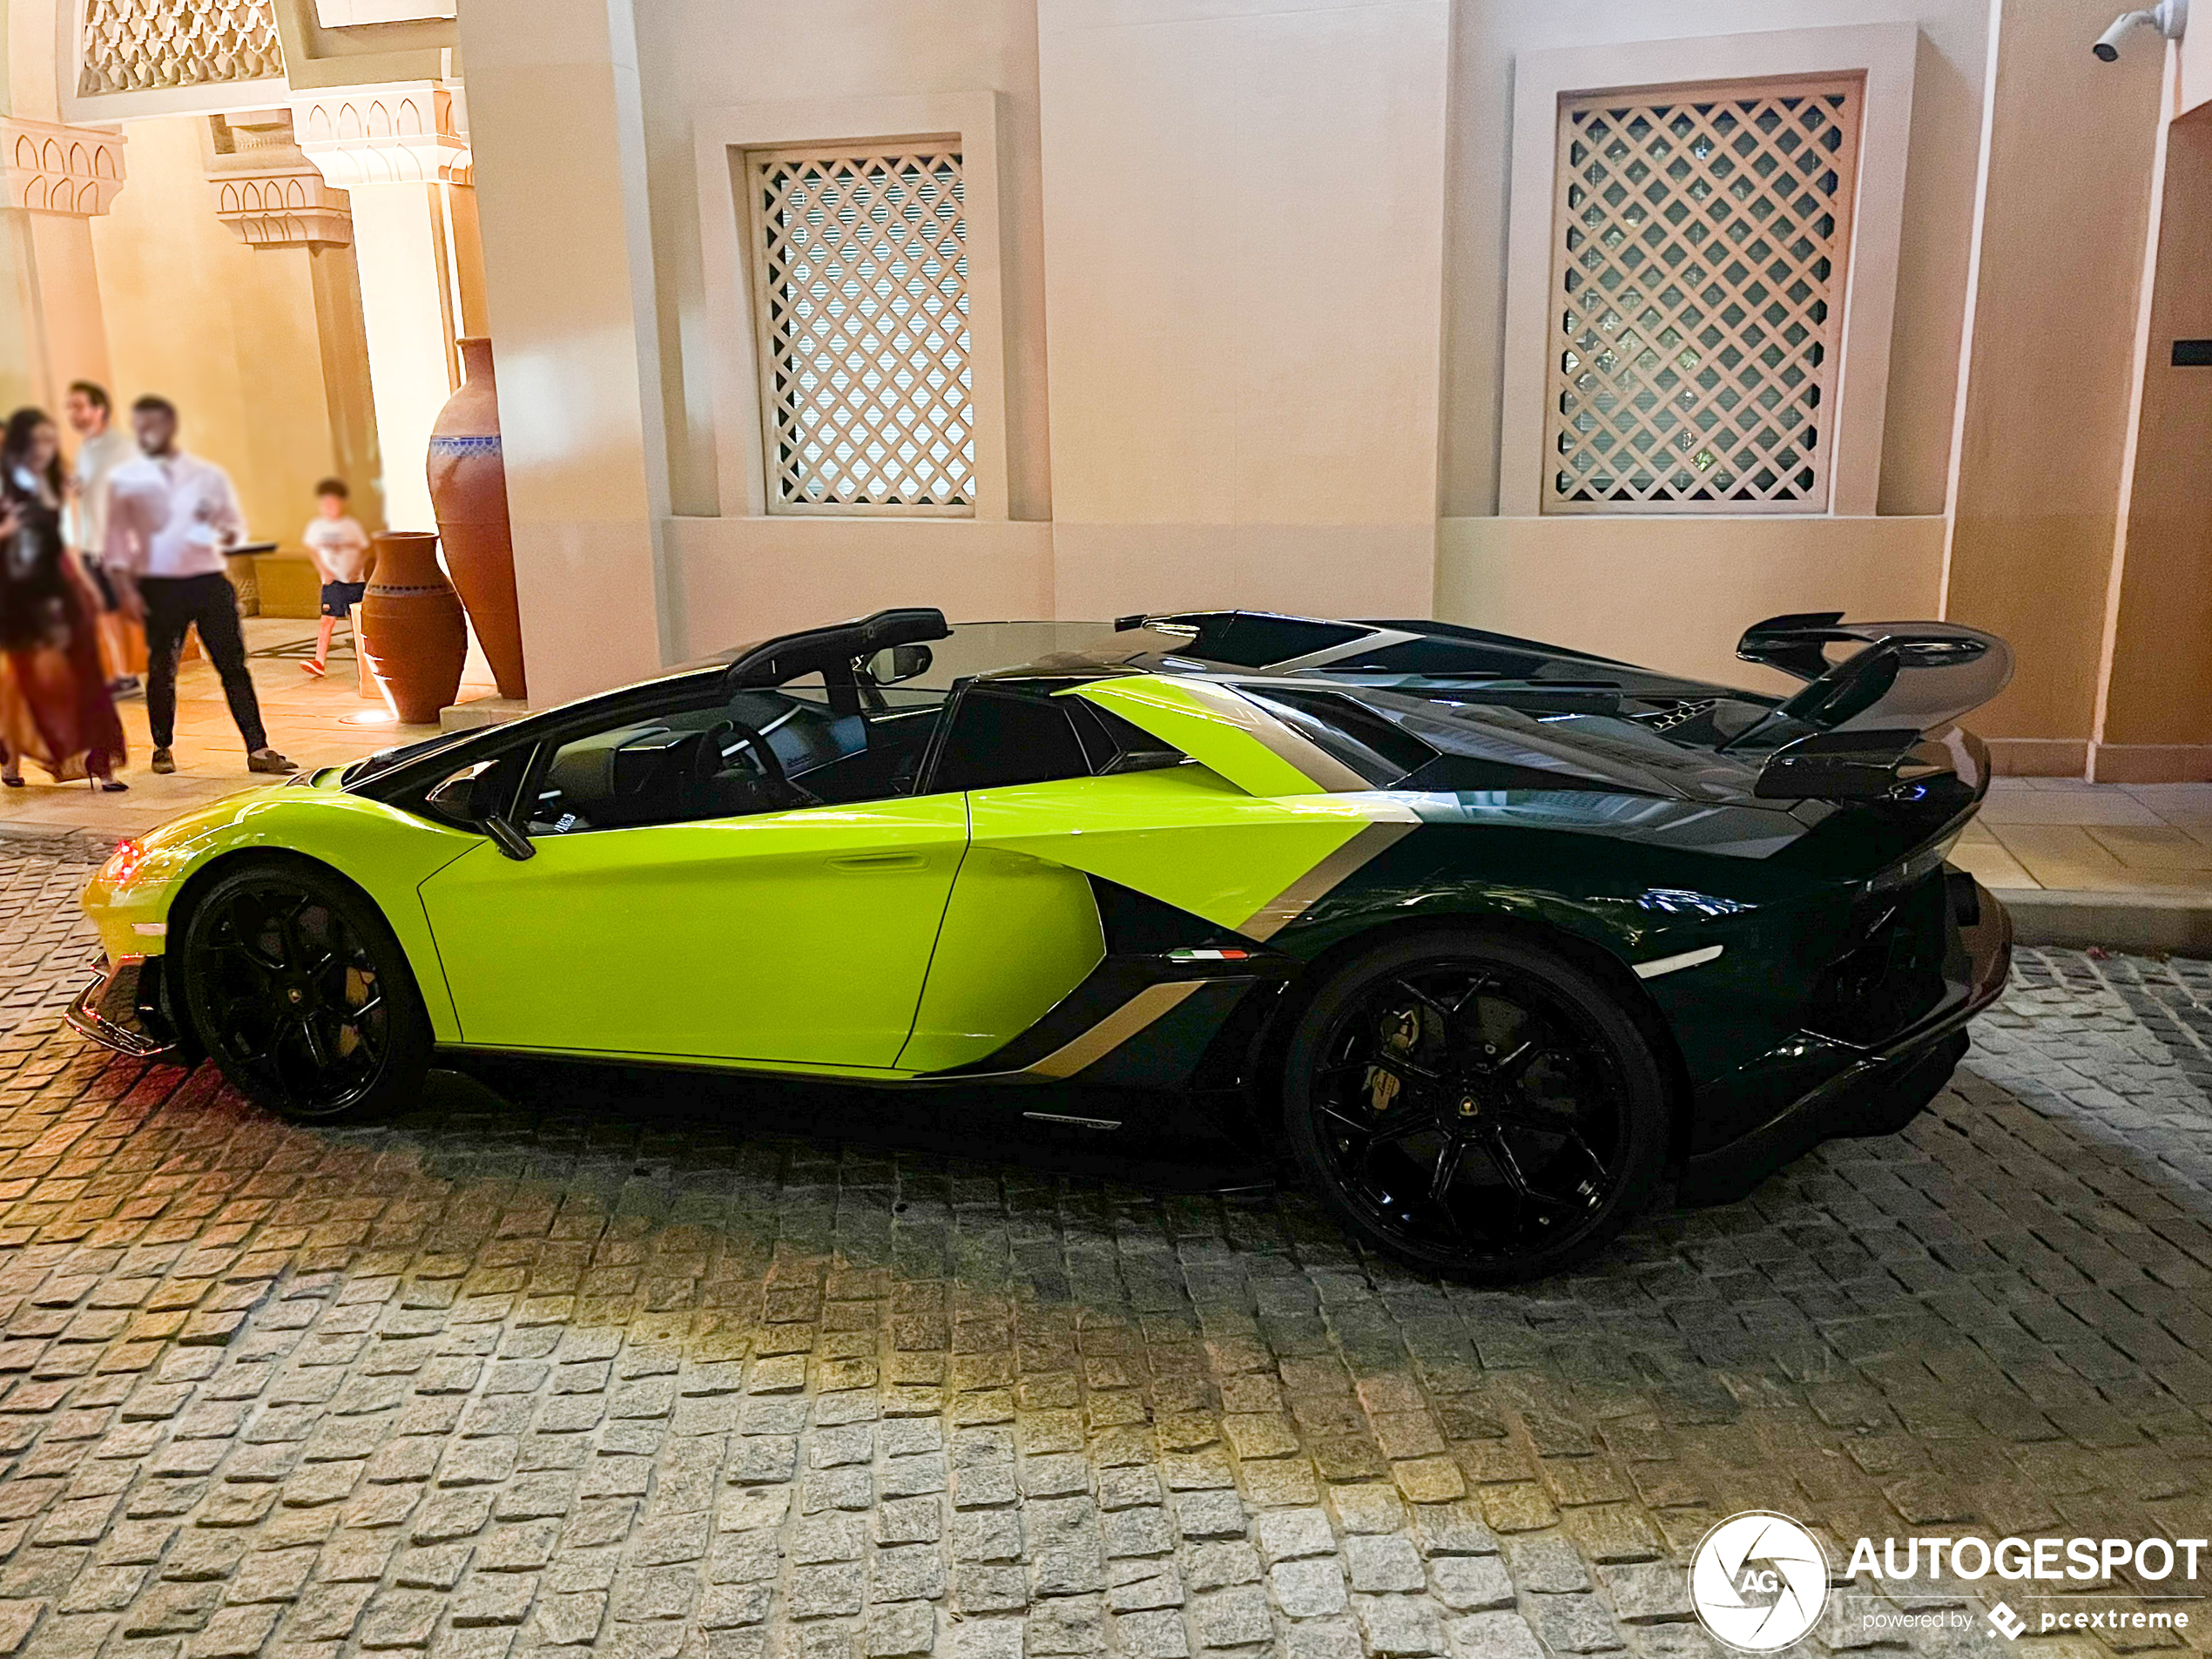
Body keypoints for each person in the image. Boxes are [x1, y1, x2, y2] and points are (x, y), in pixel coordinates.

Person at [103, 396, 293, 777]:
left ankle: (258, 747)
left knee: (233, 666)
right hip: (159, 586)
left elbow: (232, 527)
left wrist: (213, 526)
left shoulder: (204, 477)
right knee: (161, 670)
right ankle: (162, 746)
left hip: (207, 580)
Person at [0, 408, 127, 790]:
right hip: (15, 592)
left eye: (48, 440)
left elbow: (64, 539)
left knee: (85, 677)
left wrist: (84, 582)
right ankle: (11, 757)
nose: (44, 448)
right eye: (36, 440)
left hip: (58, 587)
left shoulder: (54, 482)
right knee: (27, 679)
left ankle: (102, 765)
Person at [64, 380, 139, 698]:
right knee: (105, 612)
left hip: (118, 544)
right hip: (92, 543)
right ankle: (123, 675)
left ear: (99, 409)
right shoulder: (86, 449)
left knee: (126, 611)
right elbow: (85, 487)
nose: (74, 414)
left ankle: (136, 673)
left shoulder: (122, 446)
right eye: (70, 407)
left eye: (79, 406)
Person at [299, 476, 370, 679]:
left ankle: (367, 661)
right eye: (325, 503)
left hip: (354, 581)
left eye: (333, 503)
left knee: (359, 621)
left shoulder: (351, 526)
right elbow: (312, 550)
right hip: (332, 582)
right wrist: (324, 570)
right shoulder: (316, 527)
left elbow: (363, 549)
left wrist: (357, 567)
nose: (329, 507)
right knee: (326, 621)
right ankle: (319, 661)